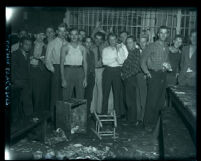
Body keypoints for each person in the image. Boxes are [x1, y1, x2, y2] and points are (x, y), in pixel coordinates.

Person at [141, 26, 172, 132]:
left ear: (167, 34)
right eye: (161, 33)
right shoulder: (152, 46)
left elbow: (166, 59)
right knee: (152, 101)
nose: (163, 35)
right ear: (158, 34)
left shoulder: (166, 46)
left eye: (165, 33)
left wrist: (168, 66)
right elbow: (142, 61)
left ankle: (154, 123)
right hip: (153, 75)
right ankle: (147, 124)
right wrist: (147, 72)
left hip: (163, 75)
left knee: (159, 101)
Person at [45, 23, 67, 120]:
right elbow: (47, 59)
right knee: (55, 94)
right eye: (60, 31)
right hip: (56, 68)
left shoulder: (68, 43)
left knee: (64, 93)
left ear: (66, 32)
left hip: (67, 69)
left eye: (64, 31)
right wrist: (52, 69)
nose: (62, 33)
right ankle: (53, 118)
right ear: (57, 32)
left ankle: (63, 117)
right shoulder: (52, 43)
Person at [101, 33, 127, 116]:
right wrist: (115, 57)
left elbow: (122, 61)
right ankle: (104, 113)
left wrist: (117, 53)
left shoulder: (121, 49)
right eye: (110, 39)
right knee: (105, 93)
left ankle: (117, 113)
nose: (112, 41)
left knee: (117, 93)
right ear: (108, 40)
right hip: (108, 71)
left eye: (114, 39)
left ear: (116, 40)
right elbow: (104, 62)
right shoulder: (105, 50)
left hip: (117, 71)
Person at [60, 28, 87, 100]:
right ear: (69, 36)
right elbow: (61, 64)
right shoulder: (65, 47)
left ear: (78, 36)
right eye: (72, 34)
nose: (74, 36)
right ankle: (66, 111)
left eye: (76, 34)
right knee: (66, 95)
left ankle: (80, 111)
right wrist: (63, 79)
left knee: (80, 95)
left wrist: (85, 78)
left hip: (80, 71)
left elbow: (85, 63)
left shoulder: (82, 48)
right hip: (68, 71)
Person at [11, 36, 33, 123]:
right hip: (18, 84)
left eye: (30, 45)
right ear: (21, 44)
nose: (28, 46)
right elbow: (11, 70)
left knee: (27, 104)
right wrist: (14, 82)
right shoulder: (15, 54)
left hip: (26, 83)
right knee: (17, 106)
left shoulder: (27, 55)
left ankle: (28, 124)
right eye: (26, 44)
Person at [121, 36, 141, 125]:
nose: (128, 44)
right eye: (127, 43)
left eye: (130, 42)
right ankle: (130, 118)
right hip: (128, 79)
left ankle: (132, 120)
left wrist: (125, 76)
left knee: (130, 100)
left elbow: (136, 69)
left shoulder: (136, 52)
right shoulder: (131, 53)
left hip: (131, 79)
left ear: (135, 43)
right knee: (128, 99)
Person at [90, 32, 108, 114]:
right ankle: (92, 110)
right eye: (96, 38)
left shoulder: (104, 47)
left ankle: (99, 110)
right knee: (93, 91)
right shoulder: (91, 47)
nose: (98, 40)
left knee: (100, 91)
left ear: (102, 40)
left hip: (101, 70)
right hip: (93, 70)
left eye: (100, 39)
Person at [30, 32, 48, 114]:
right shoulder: (30, 44)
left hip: (41, 71)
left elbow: (48, 60)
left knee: (40, 93)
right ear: (35, 35)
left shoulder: (46, 46)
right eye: (39, 34)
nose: (41, 36)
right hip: (30, 70)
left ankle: (38, 113)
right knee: (31, 92)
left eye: (43, 35)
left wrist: (45, 61)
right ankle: (32, 113)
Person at [135, 34, 149, 126]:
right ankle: (138, 118)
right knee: (137, 99)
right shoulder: (136, 51)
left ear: (147, 42)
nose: (142, 43)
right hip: (136, 77)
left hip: (144, 77)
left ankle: (143, 119)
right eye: (141, 42)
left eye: (144, 42)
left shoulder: (149, 52)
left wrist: (146, 74)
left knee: (144, 99)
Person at [83, 37, 95, 119]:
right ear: (84, 43)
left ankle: (87, 114)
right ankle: (82, 114)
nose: (88, 43)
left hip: (91, 76)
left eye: (90, 42)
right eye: (87, 42)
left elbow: (93, 65)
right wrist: (84, 77)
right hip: (83, 76)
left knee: (89, 96)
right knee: (82, 95)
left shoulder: (92, 53)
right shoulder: (81, 51)